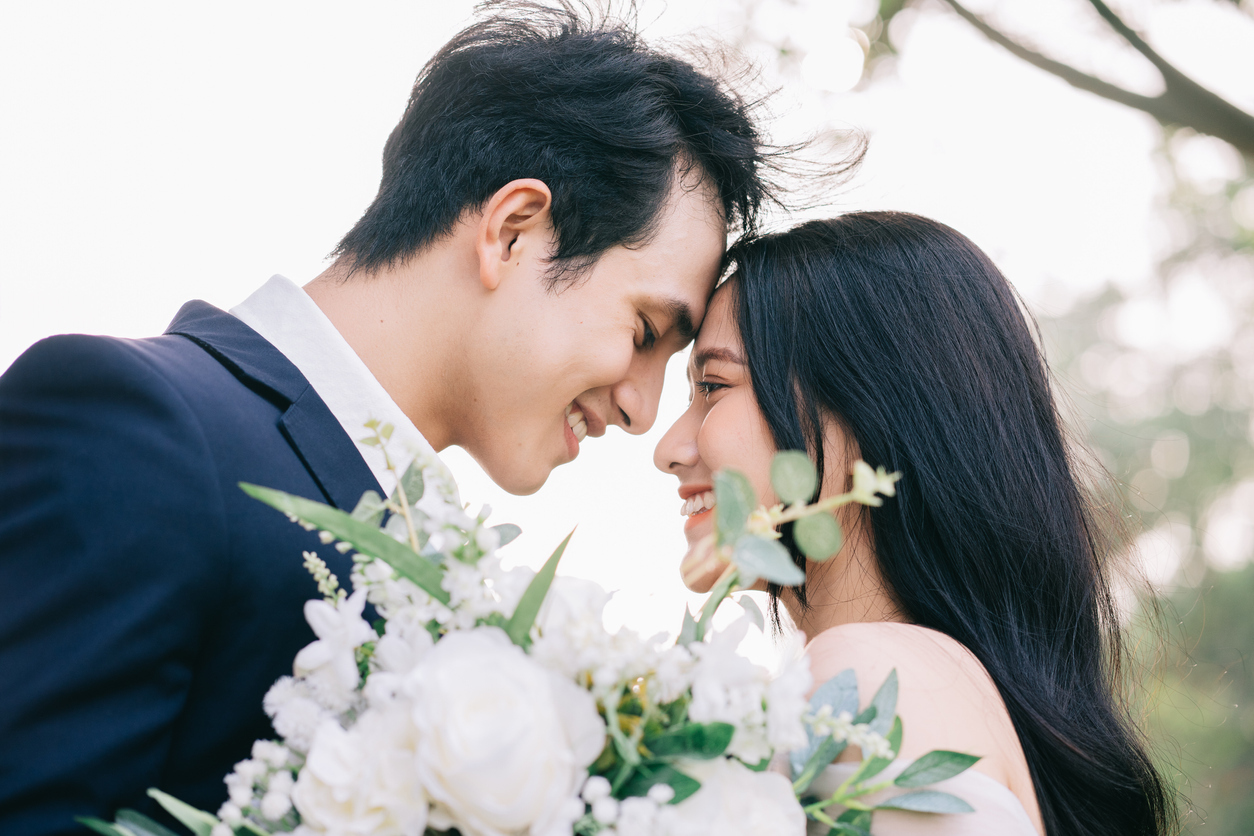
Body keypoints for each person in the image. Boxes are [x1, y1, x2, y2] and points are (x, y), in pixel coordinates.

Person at [0, 4, 776, 834]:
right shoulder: (139, 427)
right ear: (514, 232)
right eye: (644, 333)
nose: (640, 409)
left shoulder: (440, 570)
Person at [655, 212, 1174, 835]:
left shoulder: (869, 677)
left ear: (870, 409)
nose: (669, 447)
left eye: (712, 385)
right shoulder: (925, 685)